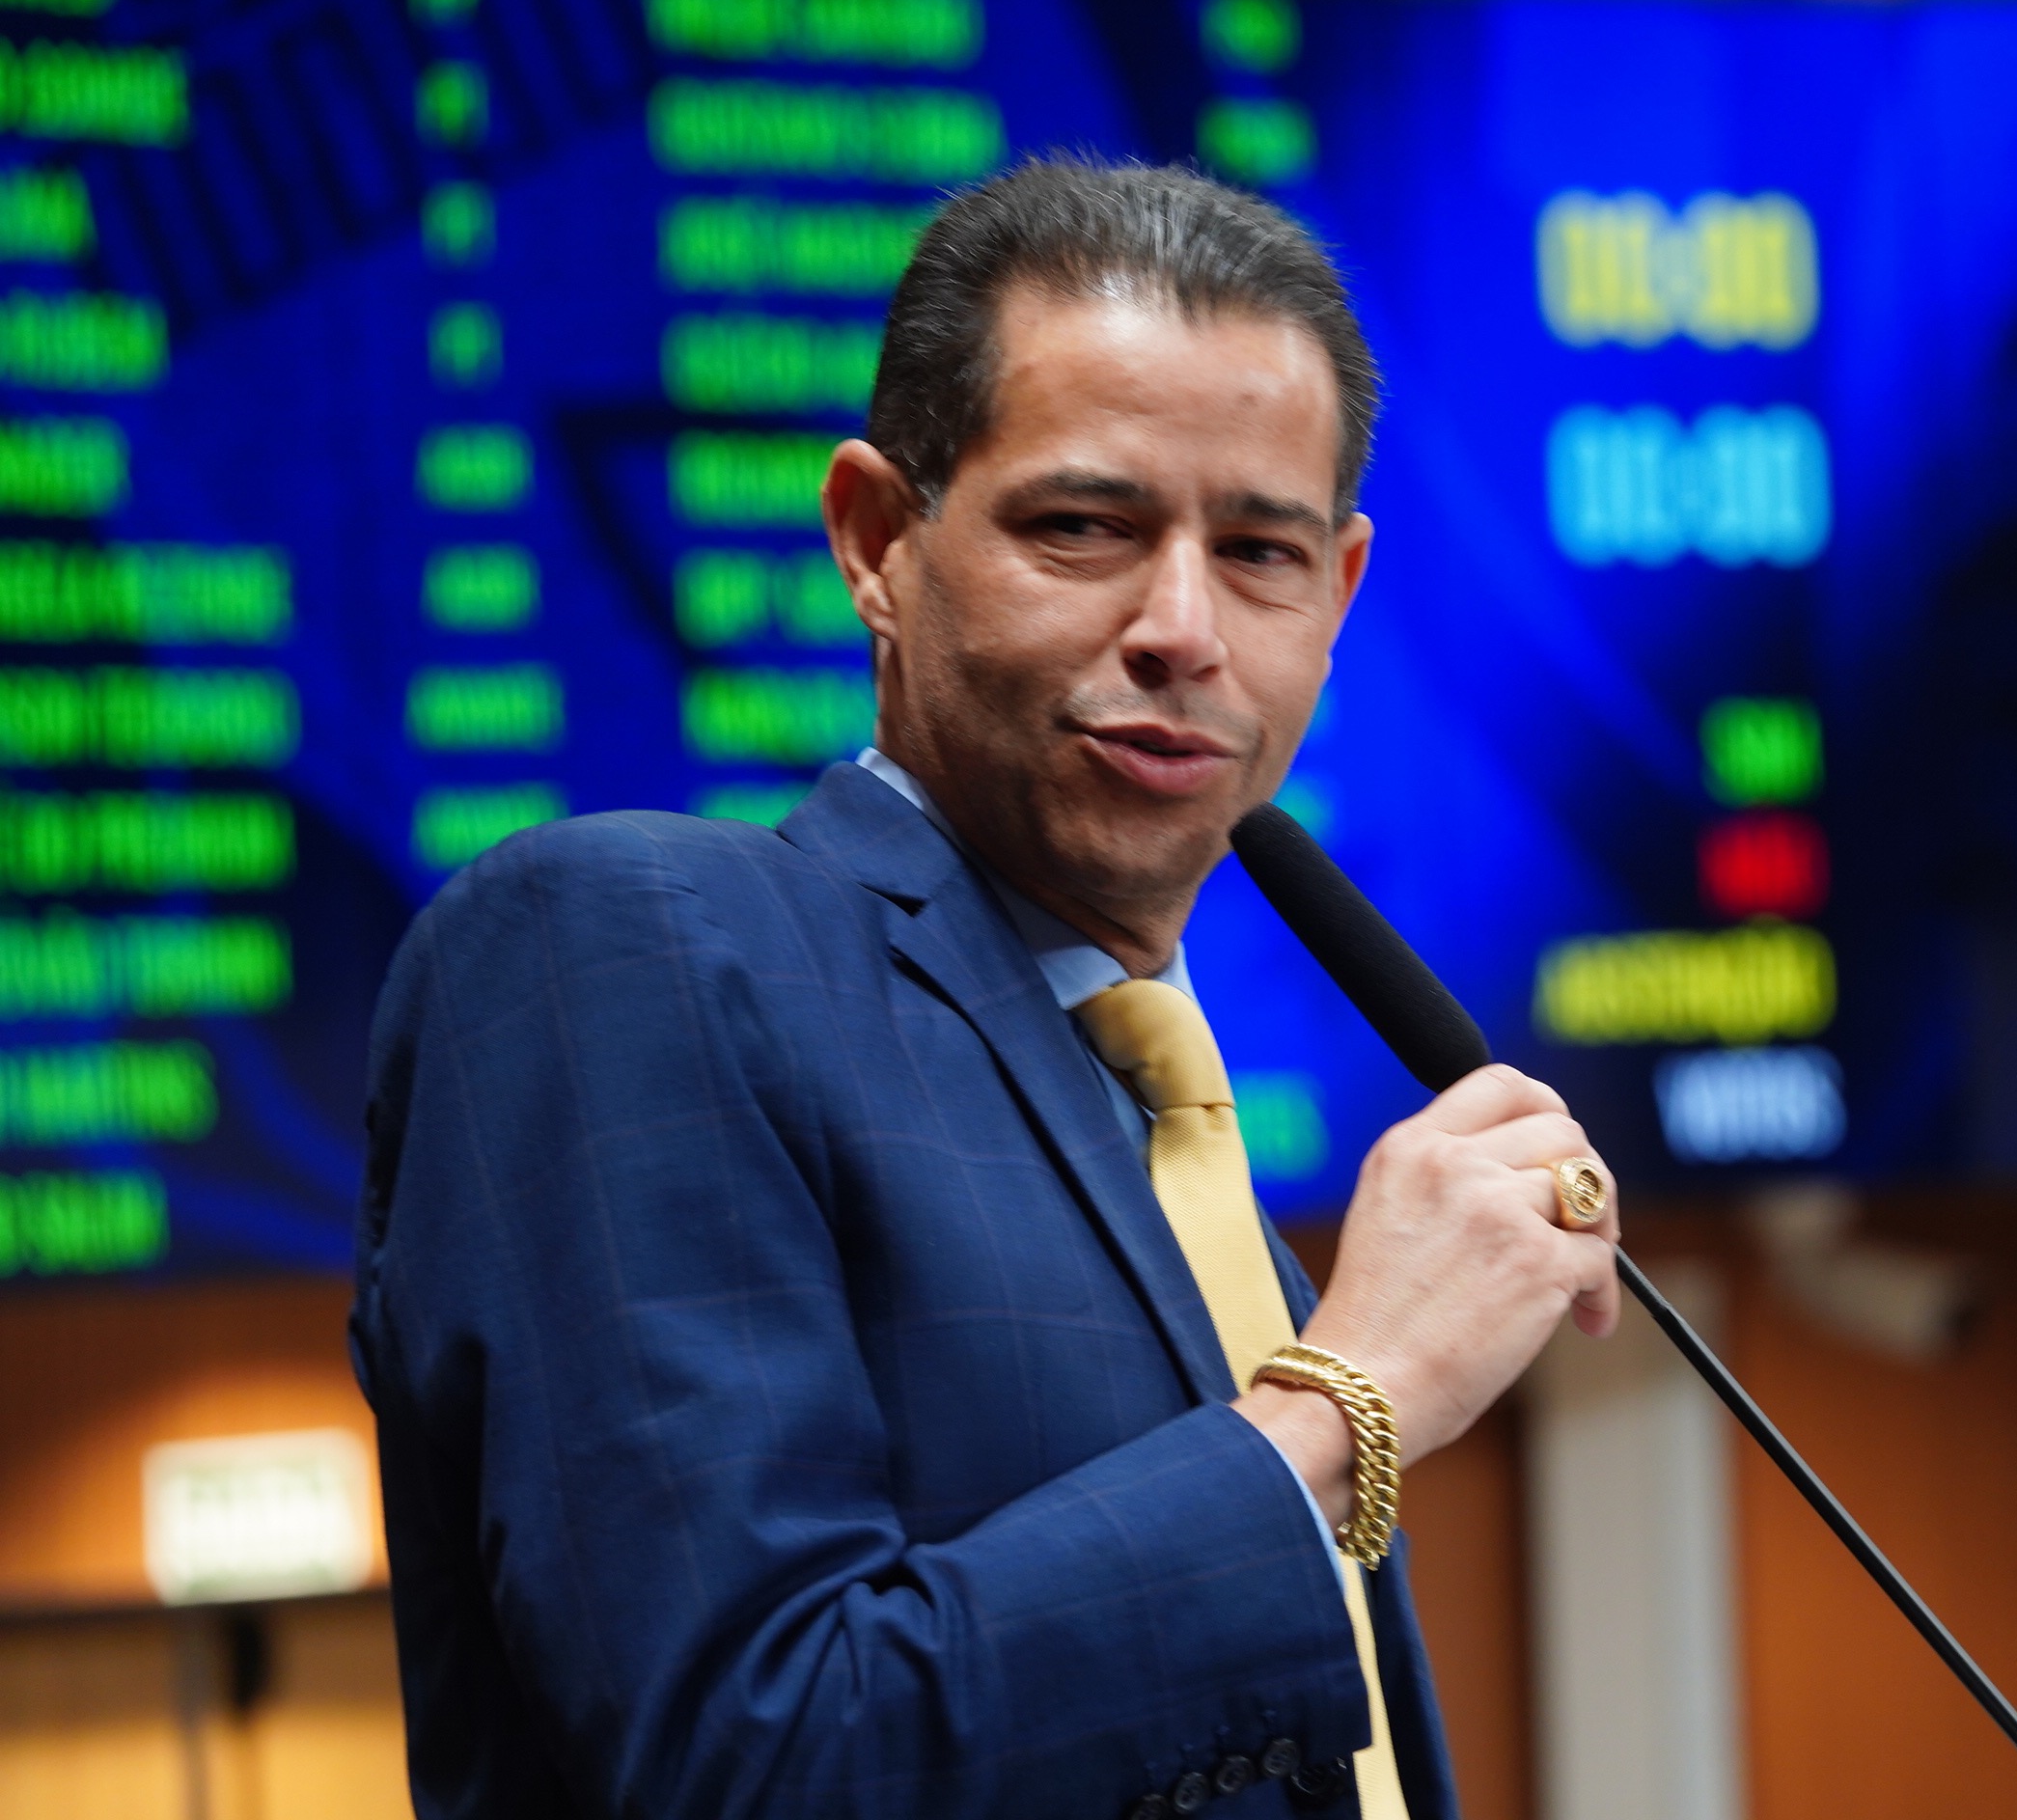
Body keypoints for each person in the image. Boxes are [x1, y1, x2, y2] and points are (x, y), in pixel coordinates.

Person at [350, 159, 1622, 1820]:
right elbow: (756, 1760)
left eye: (1260, 550)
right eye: (1083, 527)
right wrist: (1348, 1403)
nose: (1183, 628)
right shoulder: (624, 943)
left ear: (1339, 595)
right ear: (877, 541)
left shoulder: (1154, 1128)